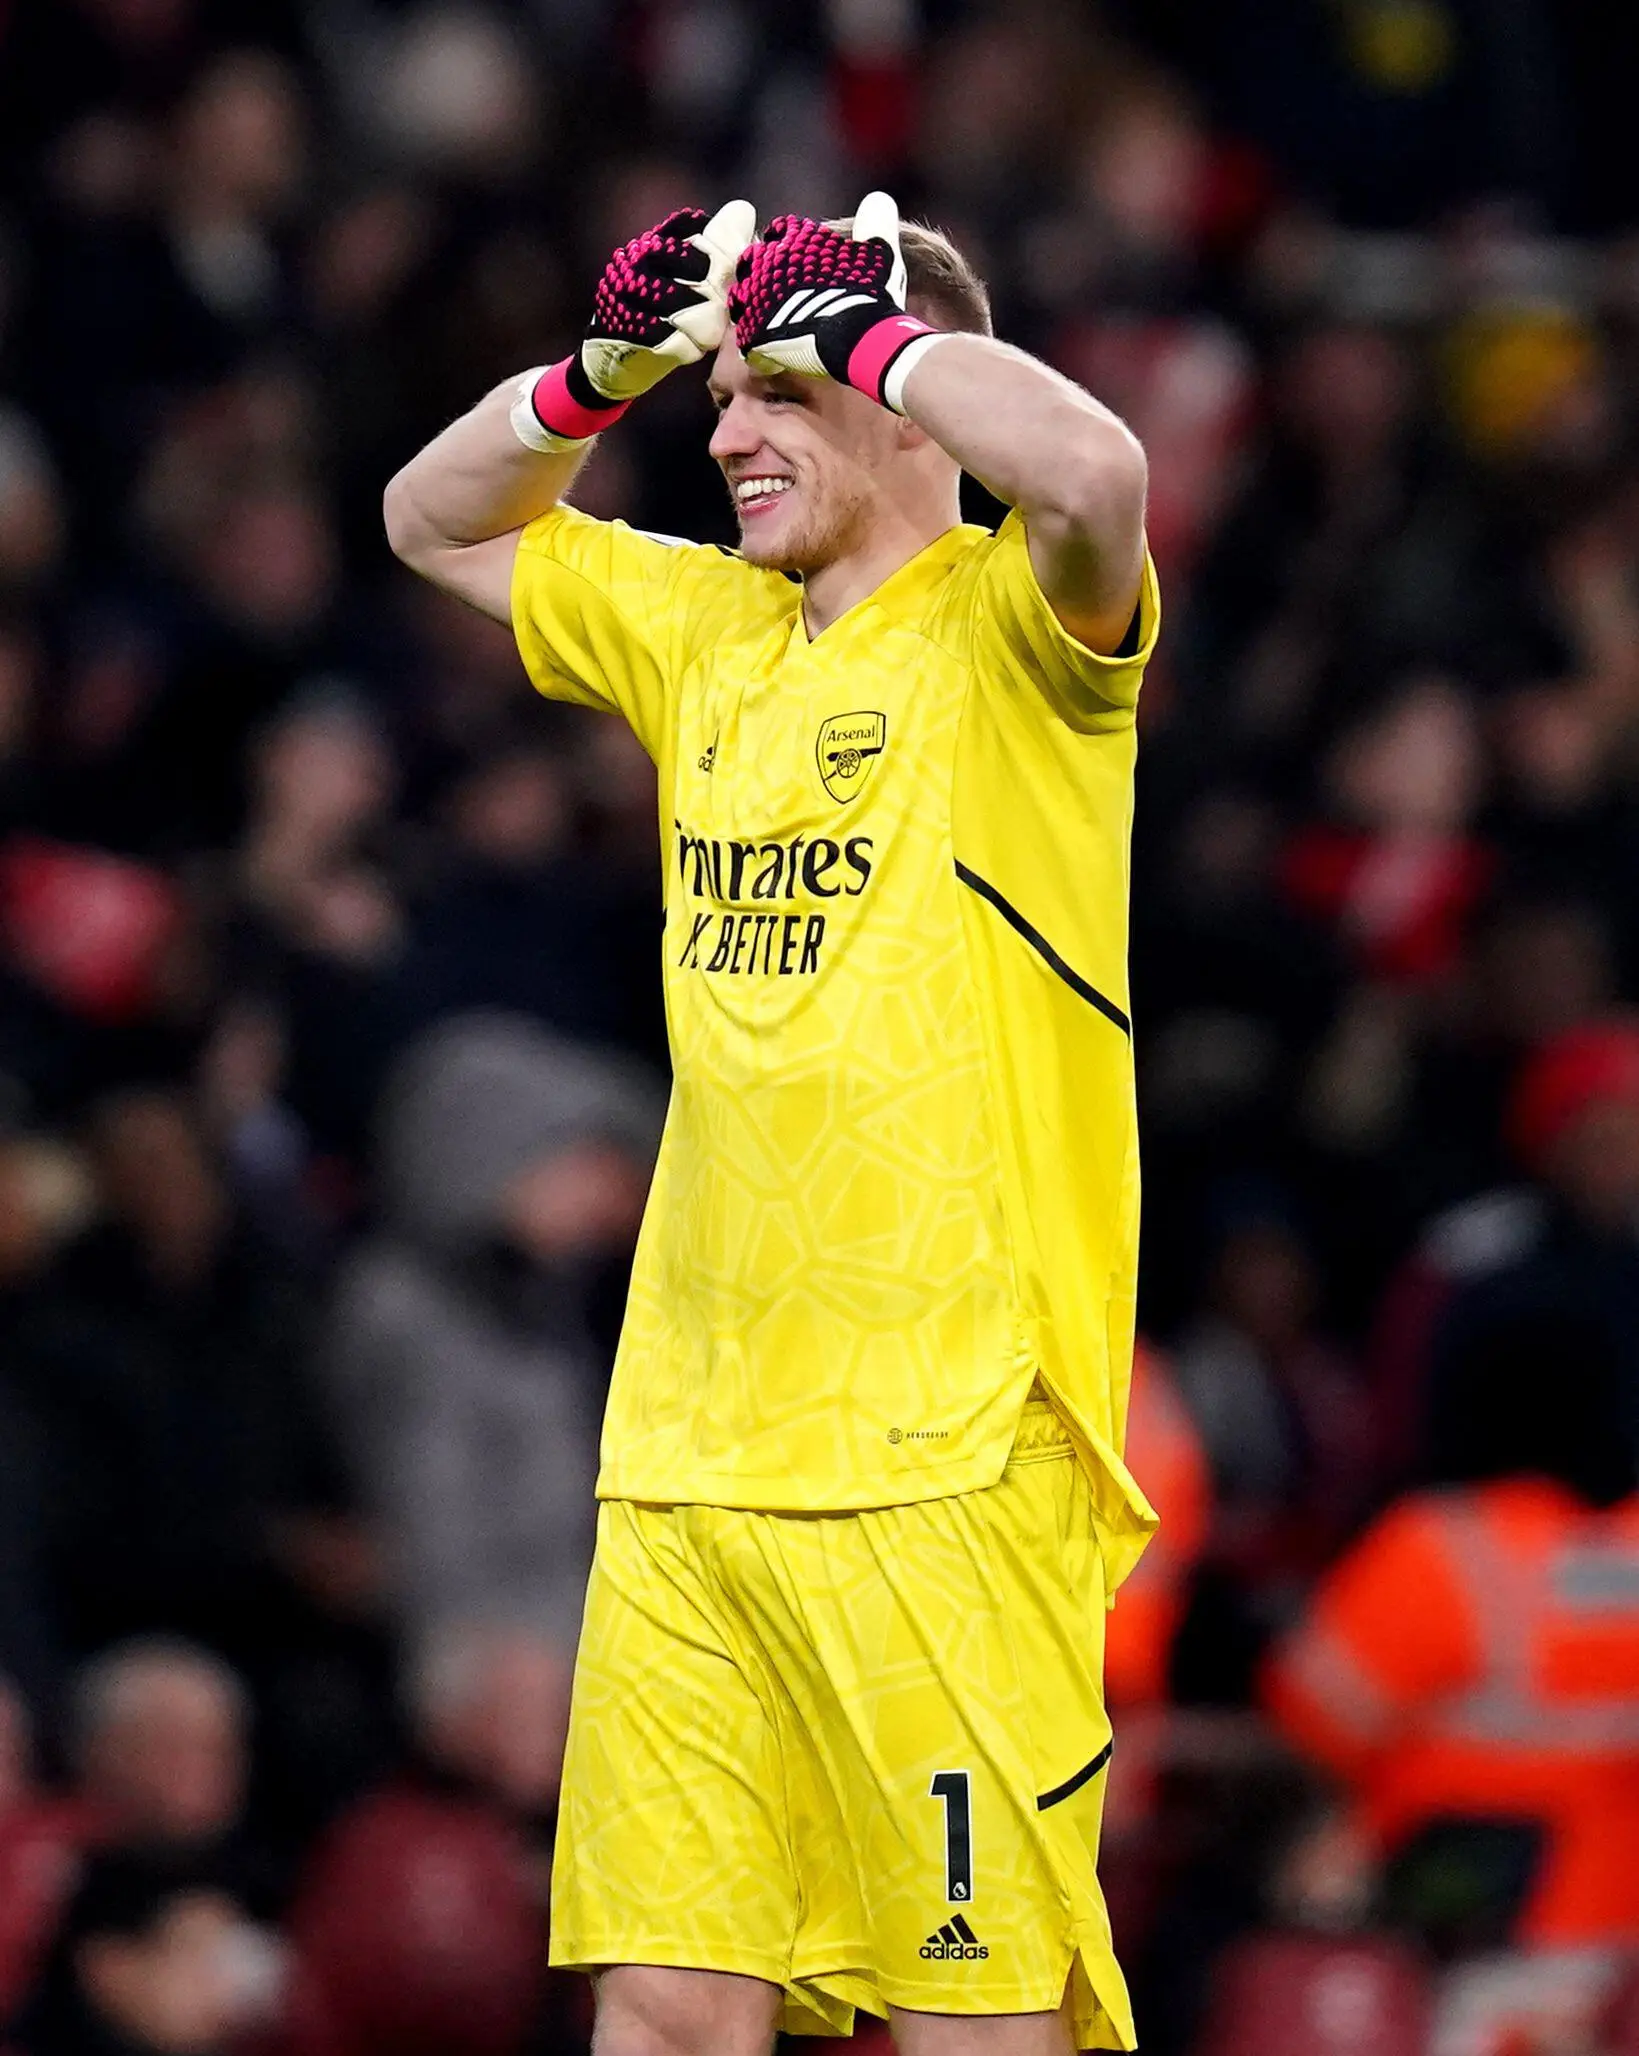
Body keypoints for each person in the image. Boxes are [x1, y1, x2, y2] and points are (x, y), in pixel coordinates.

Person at [385, 189, 1156, 2056]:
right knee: (660, 2004)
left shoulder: (1017, 637)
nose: (724, 431)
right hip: (686, 1455)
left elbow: (1092, 468)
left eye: (775, 394)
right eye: (718, 395)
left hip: (943, 1457)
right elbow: (428, 518)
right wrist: (593, 377)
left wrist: (870, 328)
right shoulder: (705, 630)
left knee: (969, 2018)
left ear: (906, 403)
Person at [285, 1620, 585, 2056]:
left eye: (563, 1711)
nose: (558, 1733)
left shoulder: (582, 1833)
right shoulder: (386, 1845)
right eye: (525, 1713)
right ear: (455, 1718)